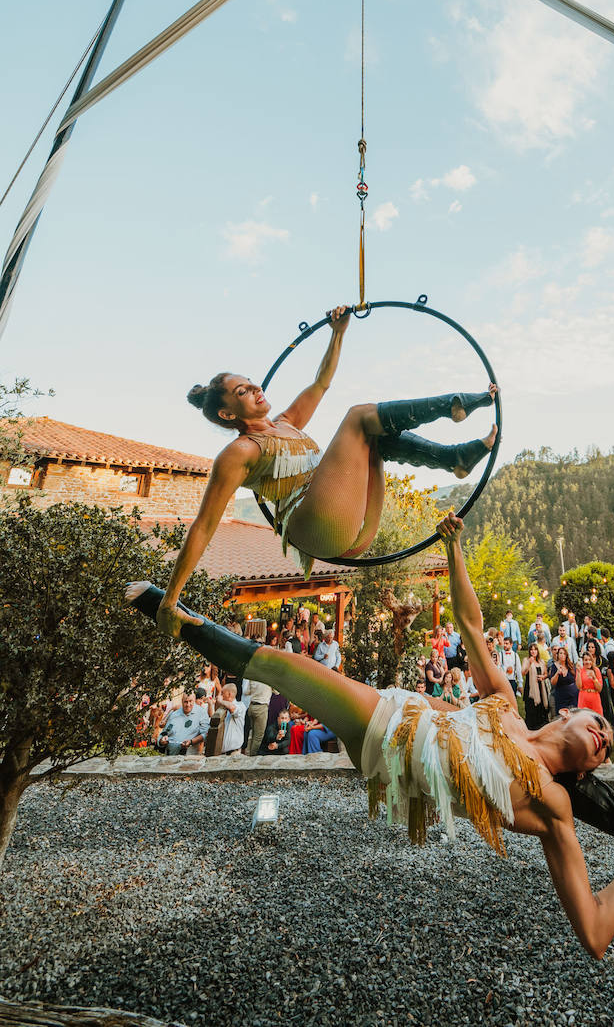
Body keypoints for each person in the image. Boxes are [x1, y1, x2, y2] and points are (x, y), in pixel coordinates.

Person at [128, 514, 614, 960]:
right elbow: (471, 624)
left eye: (606, 747)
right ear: (567, 715)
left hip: (399, 757)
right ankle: (170, 613)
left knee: (290, 669)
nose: (604, 737)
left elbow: (596, 936)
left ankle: (168, 611)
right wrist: (456, 547)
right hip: (393, 715)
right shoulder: (509, 708)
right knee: (289, 667)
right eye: (599, 725)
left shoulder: (552, 802)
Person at [153, 305, 498, 638]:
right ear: (228, 414)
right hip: (314, 524)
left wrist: (338, 333)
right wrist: (169, 601)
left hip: (352, 530)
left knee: (375, 436)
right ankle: (451, 404)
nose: (257, 389)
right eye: (242, 391)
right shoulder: (239, 451)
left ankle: (455, 459)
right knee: (358, 417)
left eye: (252, 383)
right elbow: (204, 525)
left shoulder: (286, 424)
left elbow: (321, 382)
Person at [521, 643, 550, 729]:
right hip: (530, 690)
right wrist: (529, 663)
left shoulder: (541, 661)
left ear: (538, 651)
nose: (533, 651)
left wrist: (543, 677)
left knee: (541, 711)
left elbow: (546, 674)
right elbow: (523, 673)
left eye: (535, 649)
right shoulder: (526, 660)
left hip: (541, 689)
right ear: (529, 651)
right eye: (531, 650)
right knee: (531, 711)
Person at [213, 683, 246, 755]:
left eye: (222, 693)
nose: (221, 696)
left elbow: (232, 708)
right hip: (221, 753)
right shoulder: (224, 707)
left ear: (229, 694)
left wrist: (221, 701)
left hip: (233, 753)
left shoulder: (240, 706)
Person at [243, 675, 273, 756]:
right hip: (261, 707)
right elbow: (277, 692)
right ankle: (253, 756)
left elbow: (246, 692)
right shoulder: (270, 678)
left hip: (252, 706)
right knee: (258, 736)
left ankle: (247, 753)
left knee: (252, 733)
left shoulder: (253, 677)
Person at [576, 639, 605, 713]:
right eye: (586, 660)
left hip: (594, 698)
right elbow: (579, 687)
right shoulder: (580, 670)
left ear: (592, 661)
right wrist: (578, 673)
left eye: (589, 660)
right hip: (583, 698)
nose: (588, 662)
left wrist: (594, 678)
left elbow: (599, 689)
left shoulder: (596, 670)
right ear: (583, 661)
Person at [548, 646, 578, 713]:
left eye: (564, 654)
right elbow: (553, 683)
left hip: (573, 696)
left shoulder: (571, 665)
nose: (562, 655)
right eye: (560, 653)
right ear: (557, 655)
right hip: (561, 697)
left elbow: (576, 678)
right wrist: (557, 673)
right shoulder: (554, 666)